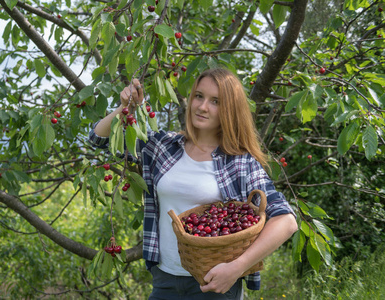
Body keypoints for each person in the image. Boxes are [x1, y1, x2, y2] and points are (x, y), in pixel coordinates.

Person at [88, 68, 298, 299]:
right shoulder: (164, 147)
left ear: (229, 110)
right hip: (165, 279)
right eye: (199, 96)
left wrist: (237, 267)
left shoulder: (239, 162)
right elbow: (99, 139)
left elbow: (286, 221)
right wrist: (126, 108)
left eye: (215, 101)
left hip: (215, 284)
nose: (202, 106)